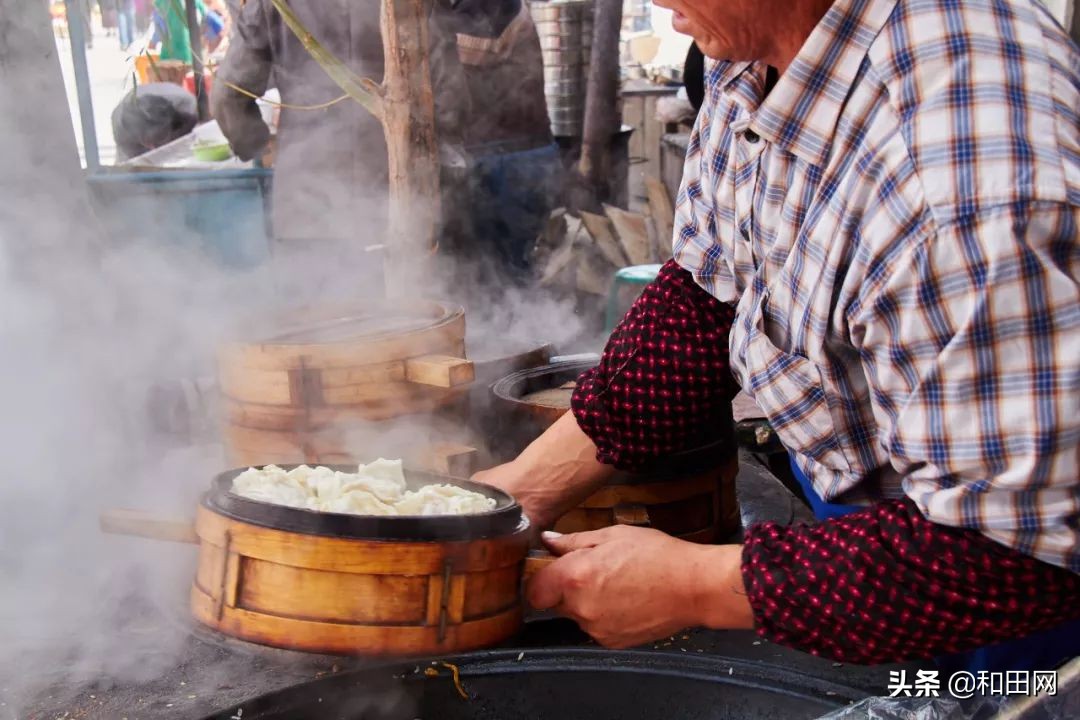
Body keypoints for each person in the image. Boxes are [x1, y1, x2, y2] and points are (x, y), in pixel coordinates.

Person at [474, 0, 1079, 671]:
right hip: (874, 532)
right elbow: (710, 294)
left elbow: (1012, 552)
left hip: (1009, 596)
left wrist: (695, 586)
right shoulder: (748, 60)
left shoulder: (960, 174)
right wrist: (519, 494)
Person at [211, 0, 390, 287]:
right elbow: (447, 92)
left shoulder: (270, 5)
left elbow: (227, 96)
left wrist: (256, 143)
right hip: (393, 200)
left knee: (316, 322)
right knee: (402, 322)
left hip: (307, 201)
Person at [430, 0, 561, 288]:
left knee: (506, 273)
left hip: (513, 160)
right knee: (488, 273)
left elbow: (474, 48)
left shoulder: (496, 8)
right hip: (505, 157)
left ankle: (517, 329)